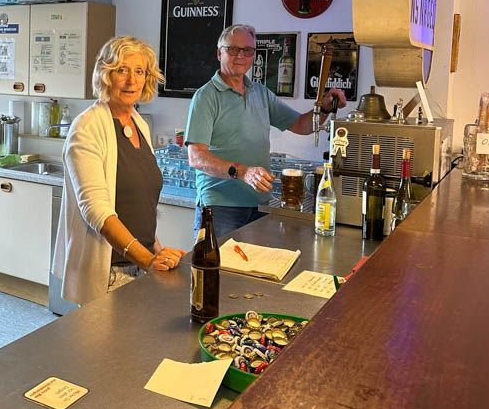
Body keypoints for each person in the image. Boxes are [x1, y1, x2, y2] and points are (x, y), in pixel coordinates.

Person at [52, 36, 186, 306]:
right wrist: (148, 260)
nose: (131, 80)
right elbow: (96, 210)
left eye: (140, 71)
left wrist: (157, 252)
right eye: (122, 70)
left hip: (140, 266)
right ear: (106, 74)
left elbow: (138, 204)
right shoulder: (87, 127)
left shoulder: (139, 124)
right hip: (110, 274)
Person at [185, 24, 346, 239]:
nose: (240, 55)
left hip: (260, 203)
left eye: (248, 50)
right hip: (220, 206)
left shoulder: (260, 92)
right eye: (233, 49)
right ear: (219, 53)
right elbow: (196, 157)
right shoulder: (206, 96)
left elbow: (301, 125)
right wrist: (243, 172)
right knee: (217, 261)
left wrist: (324, 108)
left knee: (257, 261)